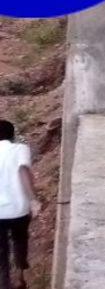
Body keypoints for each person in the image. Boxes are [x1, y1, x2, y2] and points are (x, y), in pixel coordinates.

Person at [0, 120, 38, 289]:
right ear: (12, 134)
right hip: (18, 209)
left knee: (1, 250)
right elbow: (23, 171)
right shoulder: (21, 149)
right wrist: (33, 200)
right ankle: (19, 277)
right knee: (19, 241)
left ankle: (4, 282)